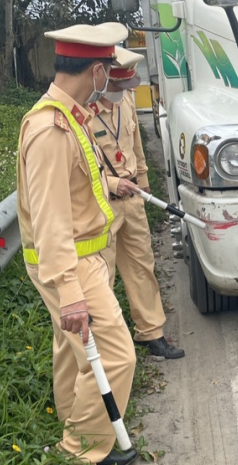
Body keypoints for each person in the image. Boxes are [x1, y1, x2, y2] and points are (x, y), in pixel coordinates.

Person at [17, 23, 137, 465]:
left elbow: (75, 179)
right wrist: (70, 292)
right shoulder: (51, 130)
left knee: (73, 356)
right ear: (95, 70)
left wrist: (108, 183)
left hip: (79, 259)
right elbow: (50, 218)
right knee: (117, 356)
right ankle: (82, 451)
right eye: (107, 68)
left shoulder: (69, 117)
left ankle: (73, 420)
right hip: (72, 264)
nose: (110, 78)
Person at [92, 46, 184, 359]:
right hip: (100, 205)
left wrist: (142, 184)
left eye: (127, 86)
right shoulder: (82, 111)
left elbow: (136, 148)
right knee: (102, 274)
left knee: (142, 267)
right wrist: (113, 183)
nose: (123, 92)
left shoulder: (127, 101)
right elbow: (78, 171)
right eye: (118, 86)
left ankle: (151, 333)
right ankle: (104, 347)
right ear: (104, 81)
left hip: (132, 200)